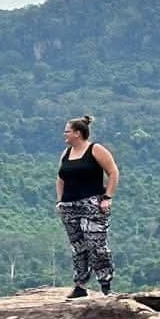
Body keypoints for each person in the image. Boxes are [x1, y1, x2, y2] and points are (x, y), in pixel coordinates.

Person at [55, 114, 119, 298]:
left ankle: (105, 284)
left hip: (92, 204)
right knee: (78, 247)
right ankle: (80, 285)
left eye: (67, 131)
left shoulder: (95, 149)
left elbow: (113, 172)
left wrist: (108, 196)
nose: (64, 135)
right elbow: (60, 178)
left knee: (97, 245)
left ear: (77, 133)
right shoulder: (66, 153)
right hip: (70, 205)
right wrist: (60, 201)